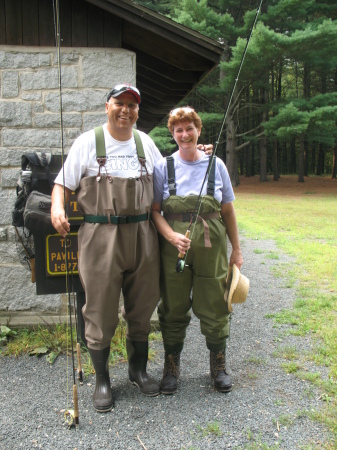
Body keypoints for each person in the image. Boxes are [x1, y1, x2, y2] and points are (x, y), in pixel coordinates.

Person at [51, 85, 212, 413]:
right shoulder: (87, 142)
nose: (125, 110)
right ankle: (102, 379)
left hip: (143, 234)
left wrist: (198, 153)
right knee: (100, 309)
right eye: (119, 104)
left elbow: (172, 171)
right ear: (107, 106)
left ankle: (137, 370)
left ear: (137, 111)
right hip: (100, 236)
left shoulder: (145, 143)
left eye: (132, 105)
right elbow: (61, 184)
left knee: (143, 306)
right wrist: (57, 209)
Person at [151, 106, 243, 395]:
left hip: (212, 246)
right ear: (173, 134)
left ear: (198, 130)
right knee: (173, 303)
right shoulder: (162, 168)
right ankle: (171, 365)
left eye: (189, 127)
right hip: (173, 249)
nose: (184, 134)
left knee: (215, 301)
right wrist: (170, 236)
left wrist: (236, 251)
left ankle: (218, 364)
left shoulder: (217, 166)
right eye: (178, 129)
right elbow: (154, 211)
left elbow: (228, 211)